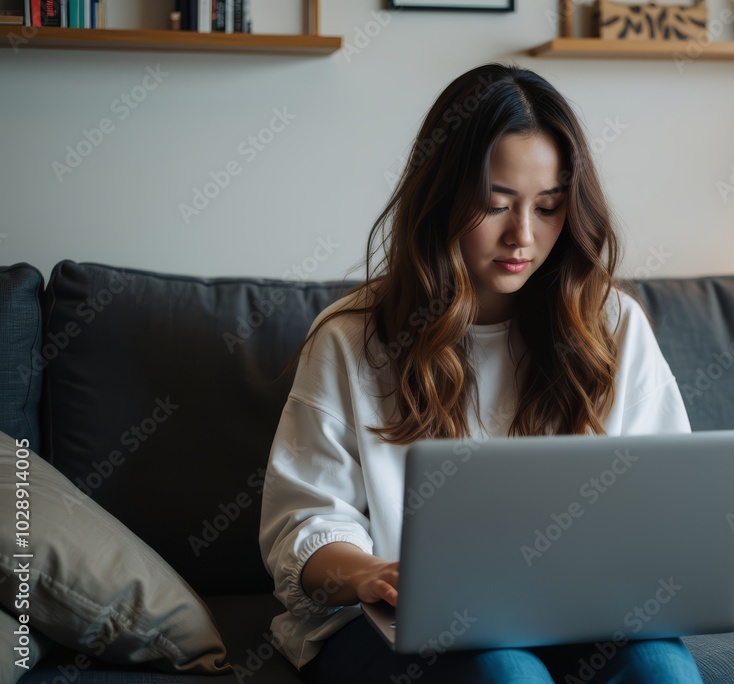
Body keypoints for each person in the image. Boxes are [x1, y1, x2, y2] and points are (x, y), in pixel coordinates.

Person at [258, 61, 702, 684]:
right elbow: (302, 524)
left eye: (548, 208)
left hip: (574, 614)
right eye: (495, 206)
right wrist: (366, 572)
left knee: (661, 670)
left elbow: (669, 496)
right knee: (505, 674)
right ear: (440, 200)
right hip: (384, 620)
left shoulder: (610, 323)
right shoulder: (352, 339)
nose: (523, 236)